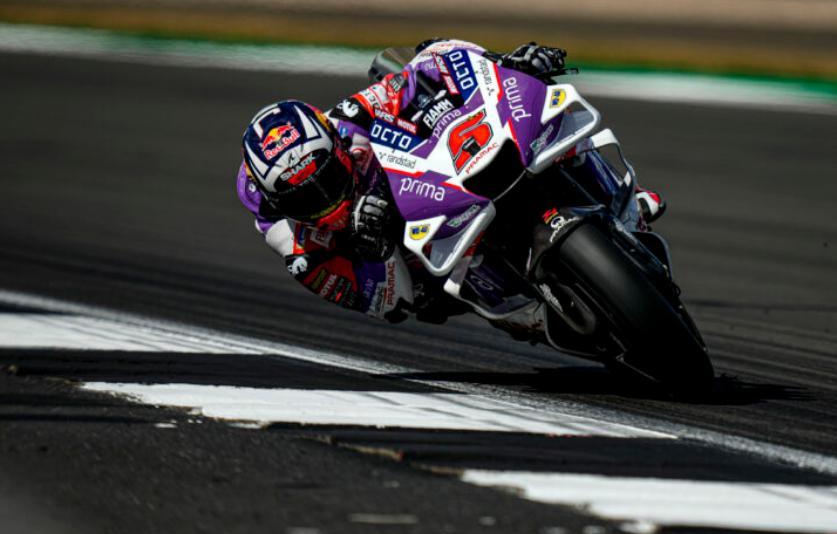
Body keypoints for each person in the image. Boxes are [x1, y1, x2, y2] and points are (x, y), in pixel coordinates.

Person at [236, 38, 667, 322]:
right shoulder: (295, 243)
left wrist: (505, 64)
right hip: (416, 268)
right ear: (279, 205)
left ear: (335, 145)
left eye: (327, 181)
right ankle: (529, 311)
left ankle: (621, 201)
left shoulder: (347, 124)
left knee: (539, 130)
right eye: (306, 201)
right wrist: (378, 248)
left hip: (429, 185)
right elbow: (387, 303)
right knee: (426, 297)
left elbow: (425, 66)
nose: (325, 203)